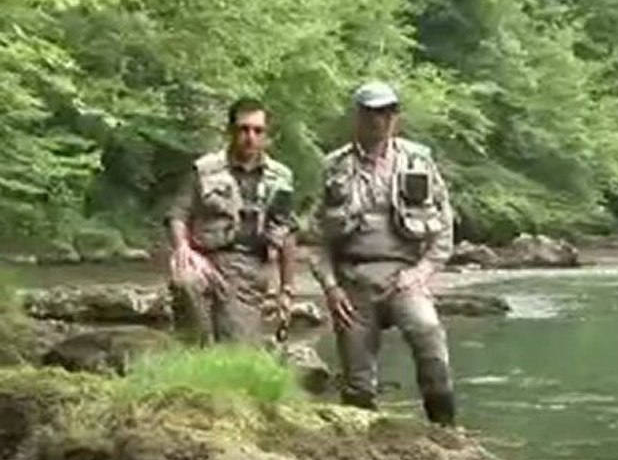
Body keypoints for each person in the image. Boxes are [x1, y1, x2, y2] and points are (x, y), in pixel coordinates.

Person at [310, 81, 456, 425]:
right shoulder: (333, 168)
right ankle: (362, 445)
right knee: (358, 384)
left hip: (404, 278)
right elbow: (316, 241)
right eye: (372, 112)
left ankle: (447, 430)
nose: (380, 120)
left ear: (396, 118)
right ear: (358, 116)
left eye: (388, 112)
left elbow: (445, 229)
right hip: (353, 281)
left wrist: (421, 273)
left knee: (428, 334)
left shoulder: (419, 161)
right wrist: (331, 288)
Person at [165, 97, 297, 345]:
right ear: (230, 131)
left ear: (267, 134)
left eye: (258, 131)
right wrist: (183, 247)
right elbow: (178, 214)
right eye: (243, 129)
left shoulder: (280, 178)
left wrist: (286, 289)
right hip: (204, 258)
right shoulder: (204, 169)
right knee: (185, 281)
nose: (250, 137)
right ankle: (194, 350)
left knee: (235, 348)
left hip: (249, 267)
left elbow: (287, 232)